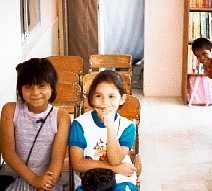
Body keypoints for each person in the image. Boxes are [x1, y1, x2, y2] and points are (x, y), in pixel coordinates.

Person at [0, 58, 70, 190]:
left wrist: (44, 185)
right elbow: (8, 152)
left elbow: (56, 162)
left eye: (41, 86)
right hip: (16, 176)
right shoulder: (9, 110)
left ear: (52, 87)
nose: (35, 92)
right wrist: (34, 180)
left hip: (48, 179)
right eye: (28, 86)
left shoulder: (61, 118)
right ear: (20, 89)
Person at [69, 70, 137, 191]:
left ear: (122, 99)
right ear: (91, 98)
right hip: (89, 180)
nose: (105, 103)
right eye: (98, 96)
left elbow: (115, 160)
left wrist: (110, 126)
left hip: (120, 178)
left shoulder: (128, 127)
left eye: (111, 96)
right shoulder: (79, 124)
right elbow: (77, 163)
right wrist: (114, 168)